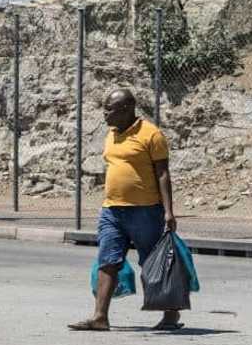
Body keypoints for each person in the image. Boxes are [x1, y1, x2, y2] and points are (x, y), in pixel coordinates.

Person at [69, 89, 181, 332]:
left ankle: (170, 314)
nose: (104, 113)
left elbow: (163, 173)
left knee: (153, 263)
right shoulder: (111, 135)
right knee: (107, 261)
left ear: (126, 110)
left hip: (145, 210)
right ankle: (100, 317)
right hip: (111, 210)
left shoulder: (151, 134)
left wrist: (168, 211)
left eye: (109, 109)